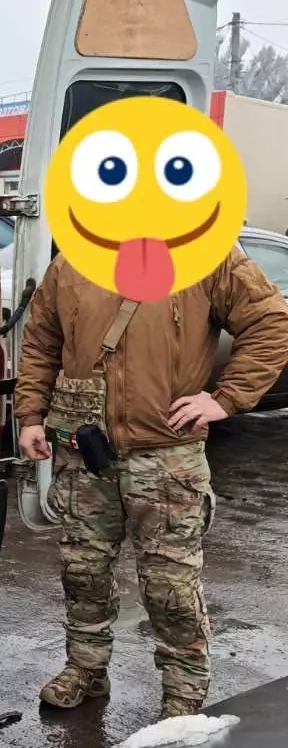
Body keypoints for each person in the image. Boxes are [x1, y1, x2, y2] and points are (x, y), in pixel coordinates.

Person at [15, 246, 288, 719]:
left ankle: (183, 693)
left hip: (166, 455)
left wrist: (226, 398)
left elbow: (271, 325)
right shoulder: (74, 260)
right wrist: (31, 415)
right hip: (84, 453)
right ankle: (85, 668)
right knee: (83, 570)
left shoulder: (205, 255)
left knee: (170, 584)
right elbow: (41, 343)